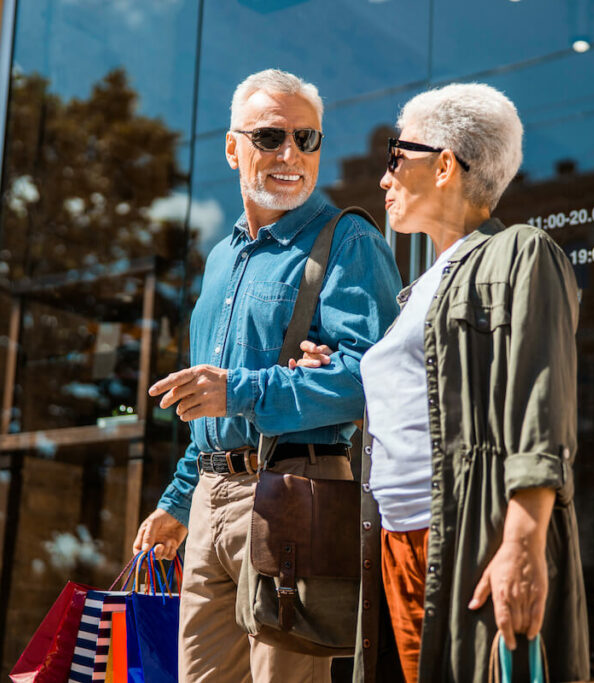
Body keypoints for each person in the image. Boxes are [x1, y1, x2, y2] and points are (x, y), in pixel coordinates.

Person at [294, 83, 589, 682]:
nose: (383, 178)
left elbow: (540, 405)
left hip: (461, 537)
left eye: (395, 157)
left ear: (447, 164)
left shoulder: (520, 253)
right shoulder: (418, 290)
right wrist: (336, 373)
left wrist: (523, 544)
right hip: (395, 544)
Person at [130, 69, 401, 683]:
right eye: (270, 137)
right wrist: (178, 501)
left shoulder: (348, 241)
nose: (291, 155)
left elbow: (372, 382)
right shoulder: (221, 259)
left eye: (307, 140)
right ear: (232, 148)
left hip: (295, 491)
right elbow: (206, 410)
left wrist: (243, 389)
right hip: (208, 501)